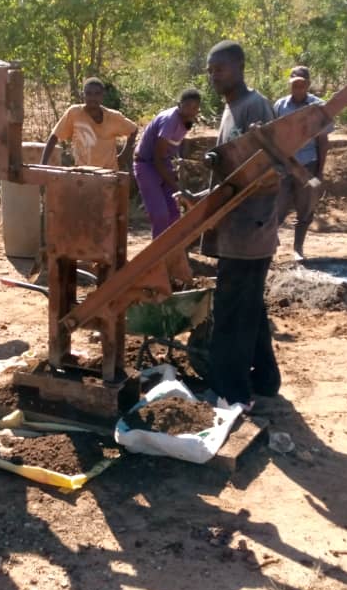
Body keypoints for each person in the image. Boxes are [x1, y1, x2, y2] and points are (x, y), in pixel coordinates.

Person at [203, 40, 282, 409]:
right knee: (249, 306)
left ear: (238, 67)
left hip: (252, 228)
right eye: (210, 70)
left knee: (232, 312)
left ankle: (232, 391)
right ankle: (265, 380)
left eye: (219, 69)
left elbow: (273, 168)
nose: (212, 76)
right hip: (235, 228)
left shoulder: (256, 106)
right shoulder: (230, 110)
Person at [132, 89, 202, 283]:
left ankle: (172, 259)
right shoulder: (170, 120)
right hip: (147, 165)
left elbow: (171, 149)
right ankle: (156, 262)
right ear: (179, 105)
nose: (191, 110)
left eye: (195, 107)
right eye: (187, 106)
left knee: (173, 215)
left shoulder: (186, 121)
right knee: (160, 215)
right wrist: (174, 182)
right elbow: (156, 156)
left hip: (163, 164)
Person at [273, 66, 332, 261]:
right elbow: (272, 138)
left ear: (307, 85)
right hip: (284, 166)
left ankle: (298, 249)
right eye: (294, 84)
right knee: (277, 208)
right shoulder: (280, 106)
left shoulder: (318, 107)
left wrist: (320, 171)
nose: (297, 88)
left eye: (301, 84)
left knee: (306, 208)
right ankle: (270, 246)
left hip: (309, 167)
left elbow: (323, 141)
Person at [41, 77, 138, 169]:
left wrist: (124, 155)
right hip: (83, 174)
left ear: (102, 95)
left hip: (109, 174)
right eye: (89, 94)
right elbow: (54, 136)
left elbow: (133, 130)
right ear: (83, 95)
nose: (93, 98)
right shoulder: (74, 113)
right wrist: (43, 164)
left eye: (97, 94)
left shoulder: (113, 117)